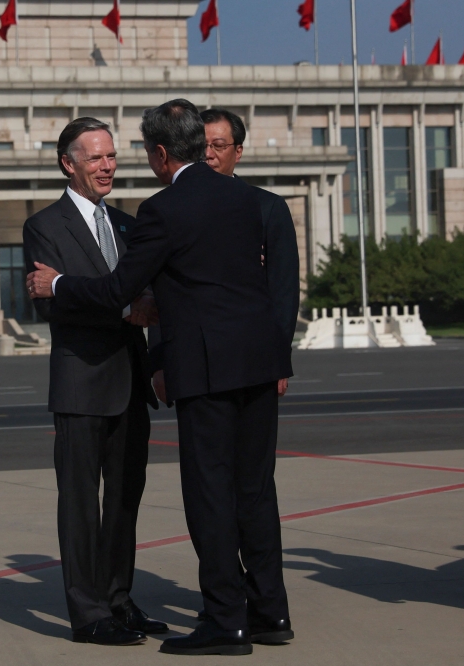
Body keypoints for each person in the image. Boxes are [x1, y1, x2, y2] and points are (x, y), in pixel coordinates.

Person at [27, 100, 292, 656]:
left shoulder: (157, 212)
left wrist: (59, 286)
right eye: (96, 156)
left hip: (200, 374)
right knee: (254, 492)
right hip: (251, 370)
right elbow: (268, 290)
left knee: (210, 497)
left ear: (162, 153)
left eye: (125, 154)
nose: (112, 165)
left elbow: (120, 287)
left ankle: (224, 620)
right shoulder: (256, 203)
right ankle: (268, 612)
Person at [22, 117, 164, 647]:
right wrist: (125, 305)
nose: (108, 166)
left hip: (131, 383)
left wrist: (77, 289)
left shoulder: (129, 225)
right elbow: (52, 306)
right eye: (96, 158)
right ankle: (87, 612)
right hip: (81, 386)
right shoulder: (44, 226)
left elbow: (135, 295)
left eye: (112, 156)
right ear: (69, 164)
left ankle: (120, 600)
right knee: (81, 504)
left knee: (125, 501)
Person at [200, 107, 300, 395]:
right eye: (201, 146)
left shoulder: (268, 208)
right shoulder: (172, 209)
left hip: (256, 360)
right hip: (196, 362)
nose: (209, 154)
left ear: (238, 151)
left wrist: (280, 358)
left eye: (218, 146)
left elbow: (284, 291)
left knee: (255, 441)